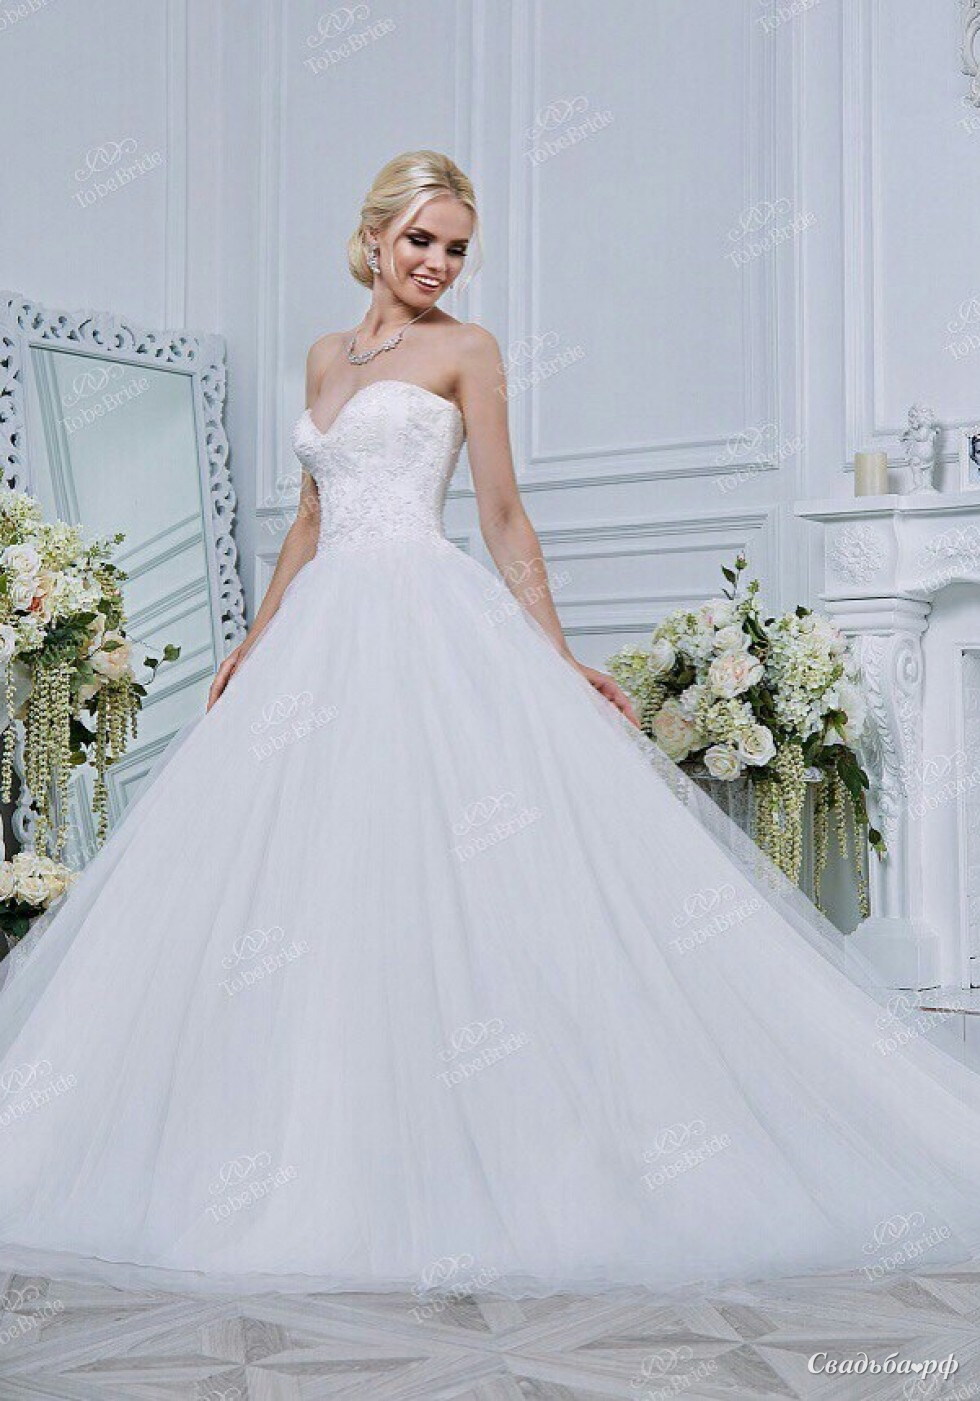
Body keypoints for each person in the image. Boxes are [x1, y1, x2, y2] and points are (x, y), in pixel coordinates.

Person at [1, 149, 980, 1304]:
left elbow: (506, 518)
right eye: (421, 239)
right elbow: (308, 518)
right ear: (375, 234)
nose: (437, 263)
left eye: (456, 248)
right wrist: (253, 645)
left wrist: (554, 657)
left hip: (422, 610)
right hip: (319, 632)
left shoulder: (467, 350)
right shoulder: (320, 356)